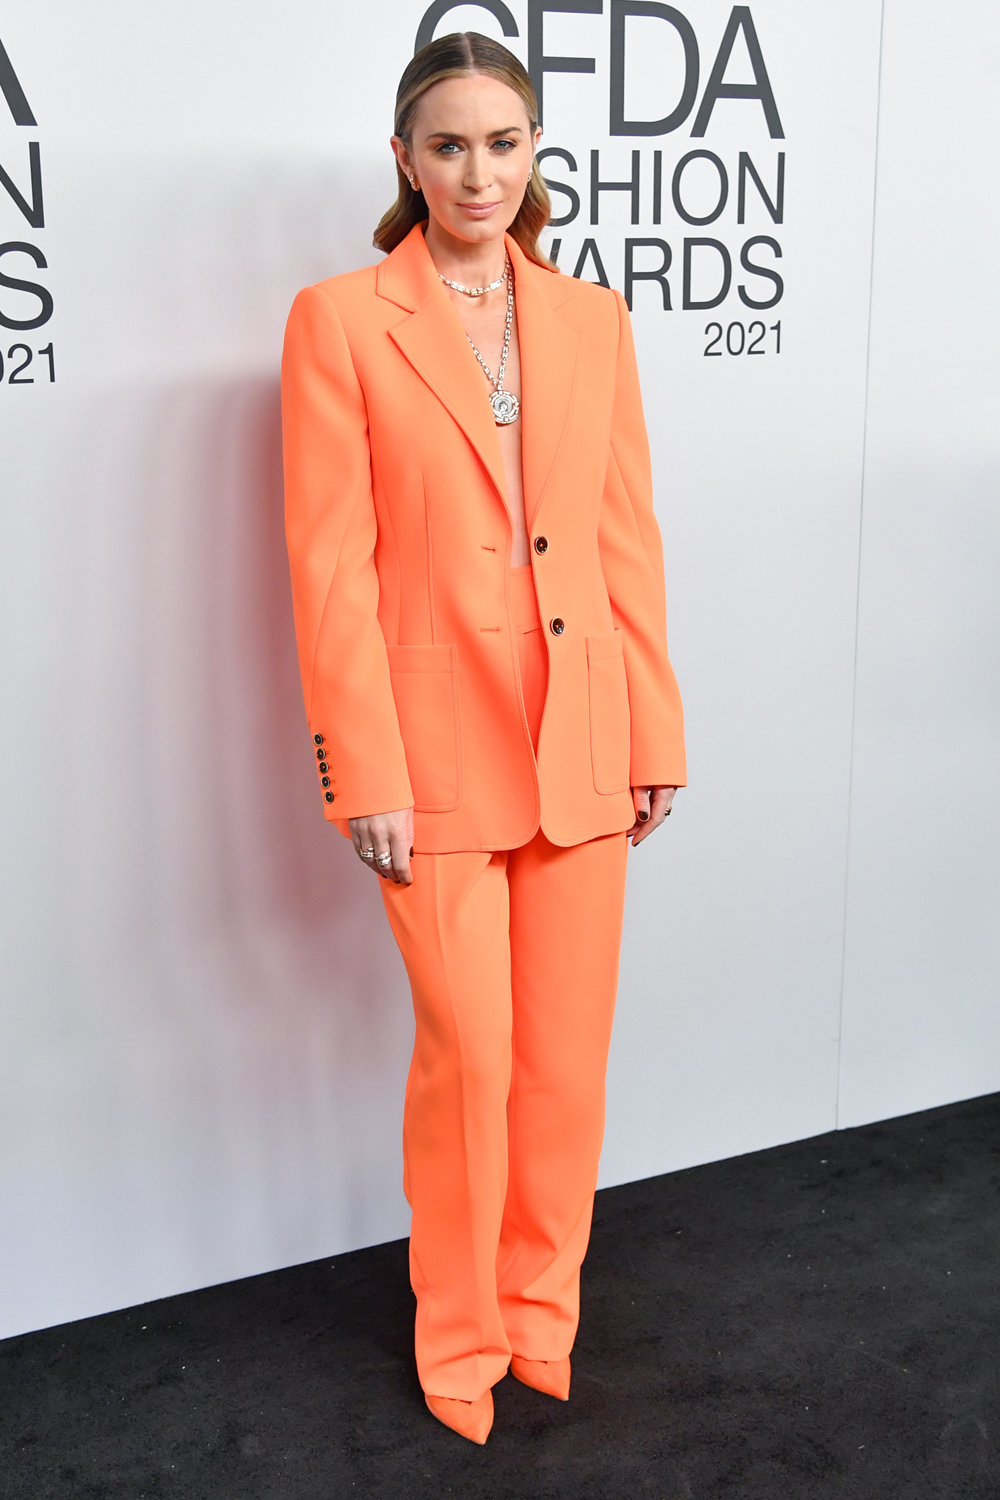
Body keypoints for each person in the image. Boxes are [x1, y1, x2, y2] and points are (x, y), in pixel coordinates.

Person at [280, 31, 686, 1445]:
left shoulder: (592, 322)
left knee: (565, 1066)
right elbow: (330, 570)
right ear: (404, 157)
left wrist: (653, 731)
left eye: (503, 143)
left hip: (580, 739)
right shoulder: (339, 321)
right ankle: (457, 1338)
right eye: (448, 145)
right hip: (433, 762)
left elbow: (626, 541)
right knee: (470, 1062)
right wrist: (365, 771)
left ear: (534, 155)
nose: (479, 172)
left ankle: (541, 1314)